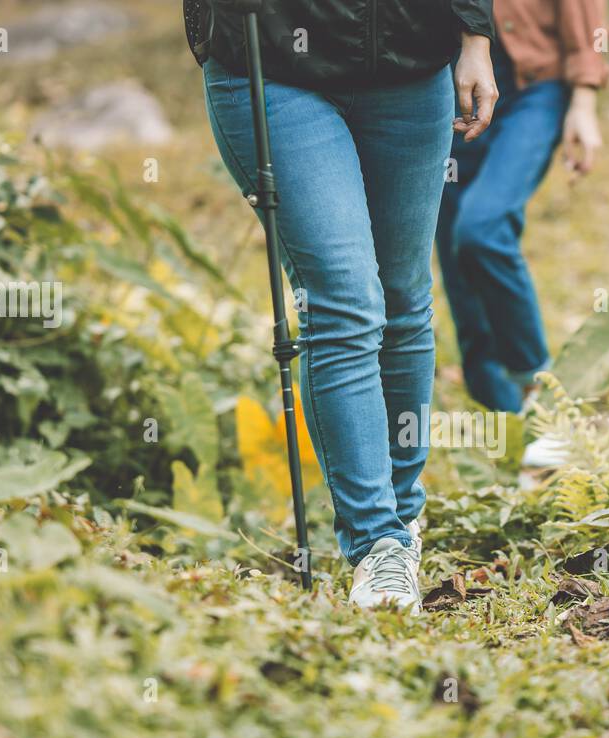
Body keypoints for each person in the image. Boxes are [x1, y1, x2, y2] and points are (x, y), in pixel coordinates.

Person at [200, 1, 498, 612]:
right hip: (274, 64)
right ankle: (377, 543)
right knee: (343, 300)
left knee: (403, 297)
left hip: (410, 62)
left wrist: (476, 38)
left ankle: (402, 516)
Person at [436, 0, 609, 417]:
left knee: (482, 229)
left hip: (534, 86)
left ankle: (541, 391)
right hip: (448, 87)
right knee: (453, 251)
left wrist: (583, 102)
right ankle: (503, 423)